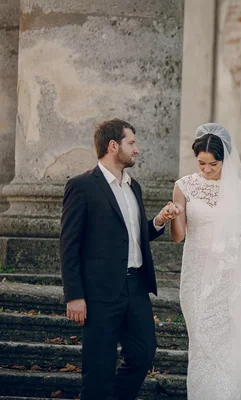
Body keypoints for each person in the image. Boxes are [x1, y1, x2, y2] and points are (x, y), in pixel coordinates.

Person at [60, 119, 180, 400]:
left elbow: (133, 237)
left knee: (142, 353)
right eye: (131, 143)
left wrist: (159, 221)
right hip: (99, 293)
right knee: (98, 370)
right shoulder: (81, 187)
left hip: (135, 288)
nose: (136, 150)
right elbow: (69, 244)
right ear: (113, 146)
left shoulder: (133, 187)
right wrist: (74, 295)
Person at [169, 123, 241, 399]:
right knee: (202, 342)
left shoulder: (237, 190)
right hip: (197, 275)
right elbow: (178, 237)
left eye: (213, 164)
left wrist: (239, 283)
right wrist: (173, 215)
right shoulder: (184, 186)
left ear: (225, 160)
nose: (206, 169)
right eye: (201, 163)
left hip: (228, 279)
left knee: (229, 345)